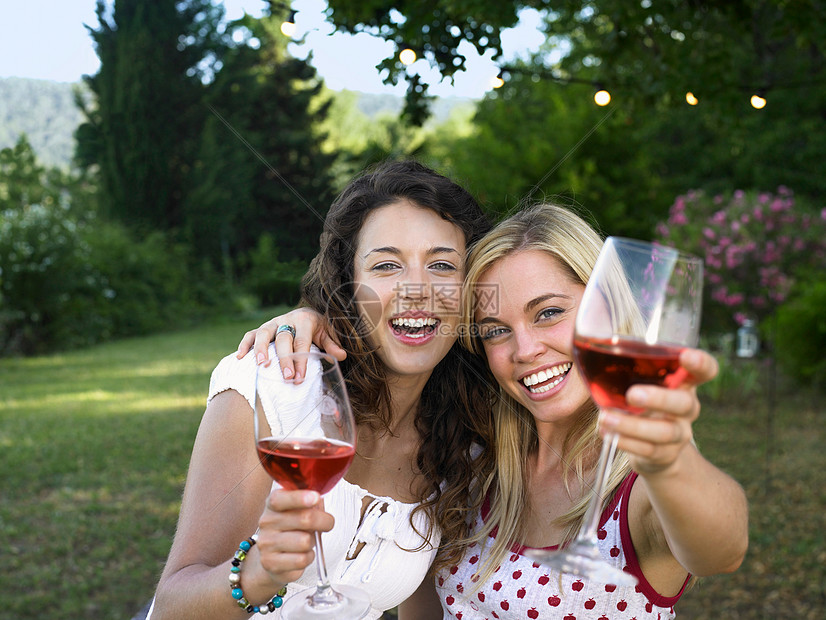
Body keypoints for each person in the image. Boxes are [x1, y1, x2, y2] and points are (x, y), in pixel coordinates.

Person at [242, 203, 749, 619]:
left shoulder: (635, 489)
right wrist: (313, 317)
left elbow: (721, 549)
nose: (525, 349)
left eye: (549, 313)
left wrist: (671, 462)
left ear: (610, 312)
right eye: (495, 330)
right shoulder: (472, 464)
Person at [149, 159, 495, 620]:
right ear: (349, 285)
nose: (417, 289)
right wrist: (258, 574)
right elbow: (173, 605)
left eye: (442, 264)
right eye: (387, 264)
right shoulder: (274, 385)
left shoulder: (462, 440)